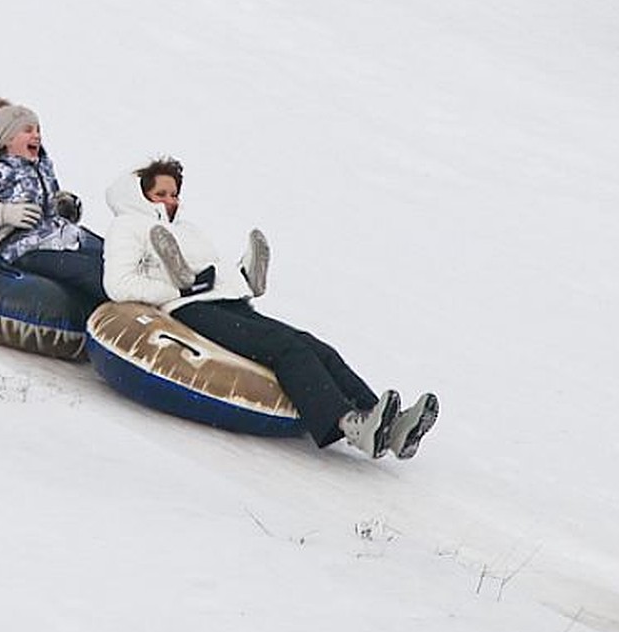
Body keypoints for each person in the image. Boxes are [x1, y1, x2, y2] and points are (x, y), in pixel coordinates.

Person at [103, 157, 438, 459]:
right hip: (189, 308)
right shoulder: (128, 226)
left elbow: (213, 272)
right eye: (161, 194)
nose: (171, 201)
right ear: (140, 194)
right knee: (285, 349)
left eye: (174, 194)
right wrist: (177, 287)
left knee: (313, 345)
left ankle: (385, 422)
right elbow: (118, 284)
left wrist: (240, 282)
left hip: (225, 300)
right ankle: (348, 423)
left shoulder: (186, 230)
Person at [0, 99, 107, 311]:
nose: (37, 135)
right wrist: (1, 214)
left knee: (120, 257)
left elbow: (45, 208)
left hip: (63, 236)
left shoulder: (42, 165)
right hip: (26, 249)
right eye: (28, 130)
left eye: (37, 129)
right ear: (8, 138)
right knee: (100, 274)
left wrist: (63, 205)